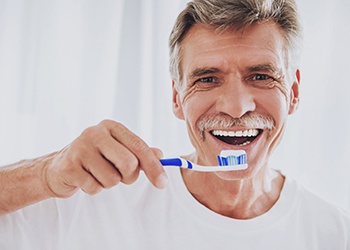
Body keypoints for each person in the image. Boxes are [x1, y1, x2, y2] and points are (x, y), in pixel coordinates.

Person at [1, 0, 350, 249]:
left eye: (260, 76)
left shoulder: (335, 234)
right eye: (208, 79)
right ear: (176, 97)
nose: (236, 106)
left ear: (293, 92)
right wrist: (44, 174)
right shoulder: (92, 201)